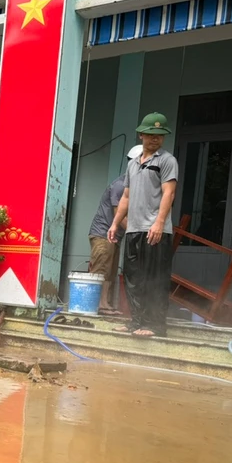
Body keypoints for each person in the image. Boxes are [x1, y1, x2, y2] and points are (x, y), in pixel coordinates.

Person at [108, 113, 178, 338]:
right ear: (141, 134)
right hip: (133, 230)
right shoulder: (133, 164)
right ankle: (136, 322)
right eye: (150, 134)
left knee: (154, 279)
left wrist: (159, 222)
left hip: (155, 231)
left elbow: (170, 192)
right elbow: (126, 197)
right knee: (133, 278)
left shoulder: (166, 160)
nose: (155, 138)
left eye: (159, 135)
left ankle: (155, 325)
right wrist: (115, 223)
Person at [89, 144, 142, 315]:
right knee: (101, 269)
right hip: (103, 233)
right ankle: (97, 305)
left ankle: (105, 305)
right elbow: (118, 215)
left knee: (110, 271)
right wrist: (138, 236)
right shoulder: (120, 185)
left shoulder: (135, 185)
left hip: (114, 236)